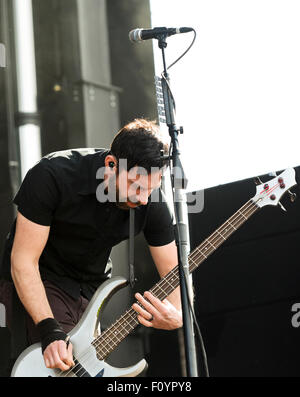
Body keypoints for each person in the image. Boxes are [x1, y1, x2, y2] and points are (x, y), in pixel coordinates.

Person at [0, 118, 182, 373]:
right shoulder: (53, 175)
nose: (142, 199)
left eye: (151, 189)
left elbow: (175, 273)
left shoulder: (153, 202)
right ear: (110, 165)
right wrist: (49, 329)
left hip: (89, 291)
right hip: (41, 279)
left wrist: (178, 315)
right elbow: (22, 262)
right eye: (135, 186)